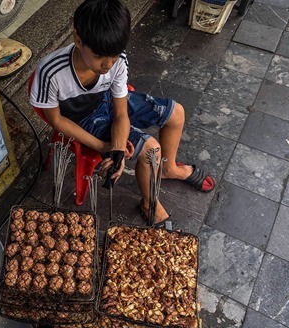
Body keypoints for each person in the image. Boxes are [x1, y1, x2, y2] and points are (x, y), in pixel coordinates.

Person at [29, 0, 215, 226]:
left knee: (176, 112)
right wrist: (103, 147)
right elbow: (57, 120)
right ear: (78, 40)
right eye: (99, 57)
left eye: (114, 57)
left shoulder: (117, 59)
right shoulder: (51, 72)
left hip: (108, 99)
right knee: (151, 150)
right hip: (82, 117)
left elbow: (120, 113)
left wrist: (117, 148)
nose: (107, 65)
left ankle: (169, 168)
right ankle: (149, 202)